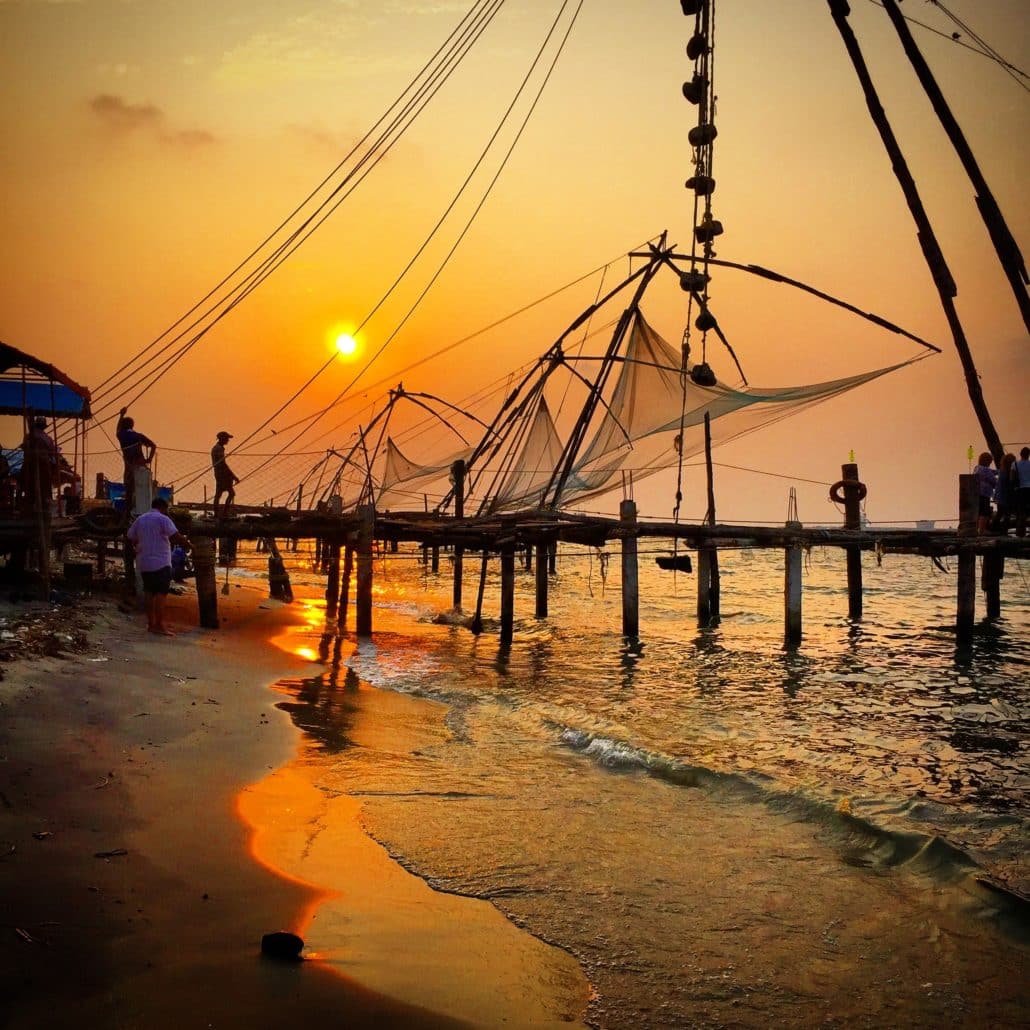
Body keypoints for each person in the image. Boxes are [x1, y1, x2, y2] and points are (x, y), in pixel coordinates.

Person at [126, 497, 190, 635]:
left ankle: (151, 624)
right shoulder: (163, 519)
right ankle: (160, 624)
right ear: (163, 507)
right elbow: (176, 536)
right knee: (161, 594)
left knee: (149, 592)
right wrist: (190, 545)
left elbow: (130, 535)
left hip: (145, 562)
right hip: (161, 563)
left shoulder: (141, 519)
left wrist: (139, 544)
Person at [116, 408, 156, 515]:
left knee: (129, 489)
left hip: (129, 466)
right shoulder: (138, 436)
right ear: (132, 425)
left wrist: (121, 415)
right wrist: (149, 459)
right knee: (143, 490)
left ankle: (128, 512)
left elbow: (118, 430)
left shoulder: (122, 436)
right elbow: (153, 445)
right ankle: (144, 511)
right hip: (141, 465)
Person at [19, 416, 59, 515]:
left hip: (30, 465)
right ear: (44, 426)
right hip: (42, 466)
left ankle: (28, 508)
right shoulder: (47, 438)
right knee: (44, 489)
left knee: (28, 487)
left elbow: (25, 448)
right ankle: (42, 509)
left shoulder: (28, 436)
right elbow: (52, 454)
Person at [210, 431, 240, 518]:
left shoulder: (217, 448)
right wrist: (233, 476)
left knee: (218, 494)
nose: (228, 440)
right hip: (222, 474)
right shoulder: (218, 449)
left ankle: (217, 514)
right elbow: (222, 464)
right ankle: (224, 513)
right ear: (222, 439)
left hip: (219, 474)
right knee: (231, 493)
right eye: (227, 438)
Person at [972, 451, 997, 535]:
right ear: (987, 461)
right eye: (990, 461)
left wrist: (997, 471)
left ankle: (975, 530)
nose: (990, 463)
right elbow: (994, 481)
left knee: (978, 513)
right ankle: (981, 530)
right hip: (984, 494)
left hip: (976, 493)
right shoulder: (986, 470)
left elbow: (991, 471)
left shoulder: (977, 468)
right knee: (984, 513)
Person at [992, 453, 1017, 533]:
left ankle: (995, 528)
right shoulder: (1008, 474)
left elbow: (998, 486)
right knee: (1006, 515)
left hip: (1000, 497)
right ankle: (1003, 530)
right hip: (1005, 497)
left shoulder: (1002, 472)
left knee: (1000, 513)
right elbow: (1010, 486)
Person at [1015, 446, 1030, 538]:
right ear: (1028, 455)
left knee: (1021, 512)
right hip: (1029, 489)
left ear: (1020, 454)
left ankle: (1020, 533)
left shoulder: (1015, 464)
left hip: (1019, 490)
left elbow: (1012, 478)